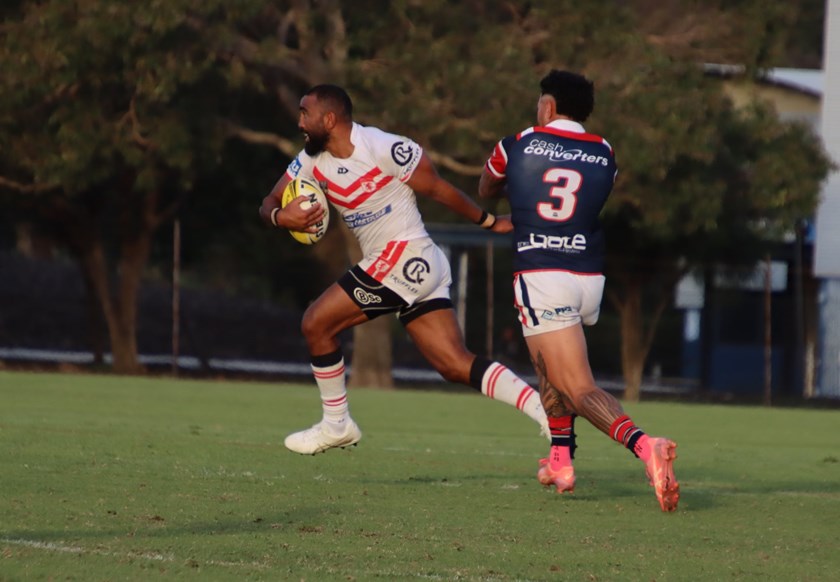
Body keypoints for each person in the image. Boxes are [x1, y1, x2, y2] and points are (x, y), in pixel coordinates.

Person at [260, 84, 547, 456]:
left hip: (405, 255)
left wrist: (491, 222)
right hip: (404, 266)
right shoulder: (311, 160)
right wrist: (283, 216)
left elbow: (439, 189)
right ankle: (544, 410)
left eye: (304, 113)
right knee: (454, 364)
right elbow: (268, 200)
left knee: (316, 322)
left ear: (329, 119)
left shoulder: (383, 147)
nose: (299, 121)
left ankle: (337, 424)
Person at [478, 70, 680, 512]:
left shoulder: (517, 142)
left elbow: (487, 186)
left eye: (539, 103)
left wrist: (505, 211)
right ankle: (560, 461)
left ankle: (647, 447)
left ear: (547, 107)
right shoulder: (604, 152)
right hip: (587, 276)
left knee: (576, 386)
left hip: (542, 272)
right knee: (548, 369)